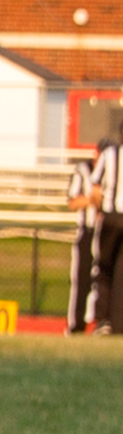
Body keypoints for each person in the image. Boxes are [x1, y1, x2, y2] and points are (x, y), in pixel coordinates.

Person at [86, 136, 121, 334]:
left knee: (104, 269)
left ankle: (104, 320)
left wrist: (101, 210)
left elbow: (96, 190)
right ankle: (119, 324)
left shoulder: (109, 154)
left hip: (111, 216)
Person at [67, 146, 100, 333]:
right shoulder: (83, 170)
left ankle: (104, 323)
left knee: (105, 281)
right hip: (87, 232)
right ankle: (77, 325)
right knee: (81, 280)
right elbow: (72, 202)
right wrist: (93, 199)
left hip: (107, 233)